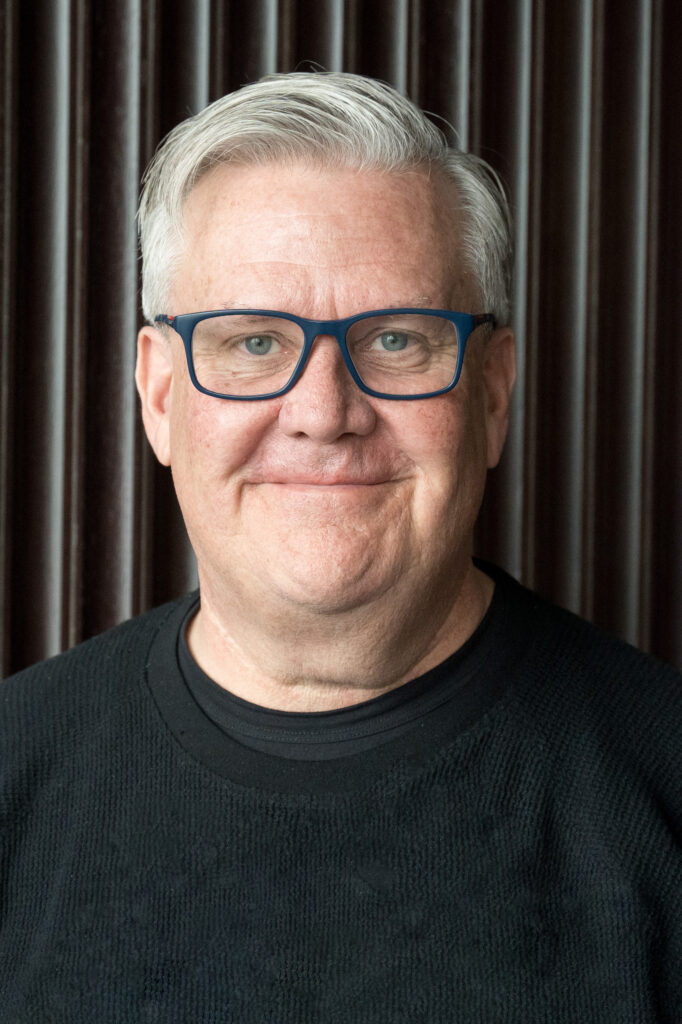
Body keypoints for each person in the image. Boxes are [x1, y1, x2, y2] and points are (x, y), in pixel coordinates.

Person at [1, 71, 681, 1023]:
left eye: (396, 339)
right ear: (159, 396)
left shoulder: (663, 784)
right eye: (252, 344)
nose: (323, 413)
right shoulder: (15, 775)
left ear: (493, 393)